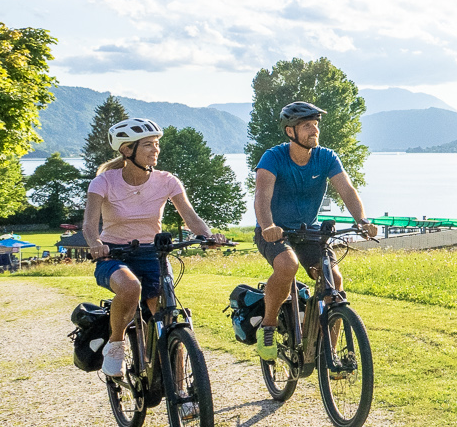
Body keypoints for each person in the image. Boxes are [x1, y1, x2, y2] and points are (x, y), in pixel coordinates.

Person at [83, 117, 229, 381]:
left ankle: (181, 389)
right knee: (130, 288)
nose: (155, 149)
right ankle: (115, 345)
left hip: (153, 254)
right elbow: (89, 225)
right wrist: (96, 244)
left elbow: (190, 217)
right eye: (148, 145)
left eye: (156, 144)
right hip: (114, 255)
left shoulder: (167, 180)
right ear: (127, 150)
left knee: (169, 319)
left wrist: (207, 236)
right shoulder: (104, 182)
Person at [252, 101, 376, 361]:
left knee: (334, 281)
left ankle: (326, 351)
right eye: (307, 126)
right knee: (287, 265)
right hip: (275, 232)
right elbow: (262, 197)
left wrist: (362, 220)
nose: (314, 130)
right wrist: (268, 226)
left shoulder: (326, 157)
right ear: (290, 131)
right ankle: (269, 325)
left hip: (309, 231)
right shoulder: (272, 157)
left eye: (316, 125)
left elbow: (347, 190)